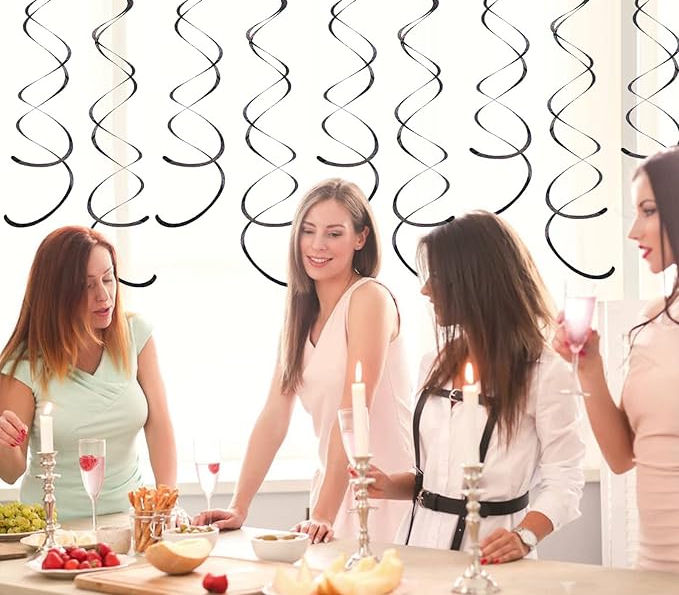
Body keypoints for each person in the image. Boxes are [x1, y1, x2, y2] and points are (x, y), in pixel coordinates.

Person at [195, 178, 412, 543]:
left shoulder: (369, 299)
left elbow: (352, 411)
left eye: (334, 233)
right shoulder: (299, 316)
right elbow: (274, 416)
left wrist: (323, 514)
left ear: (361, 238)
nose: (317, 245)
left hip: (385, 491)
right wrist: (239, 506)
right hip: (333, 490)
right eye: (308, 231)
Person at [363, 211, 585, 562]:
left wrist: (524, 536)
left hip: (489, 556)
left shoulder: (544, 371)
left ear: (474, 280)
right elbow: (438, 475)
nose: (425, 289)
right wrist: (391, 485)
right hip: (415, 549)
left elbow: (565, 478)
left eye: (437, 277)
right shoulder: (434, 361)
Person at [553, 145, 679, 573]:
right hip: (652, 568)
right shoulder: (653, 319)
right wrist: (589, 368)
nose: (634, 232)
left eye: (649, 211)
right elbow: (623, 456)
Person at [0, 226, 176, 519]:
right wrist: (4, 442)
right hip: (54, 527)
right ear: (56, 293)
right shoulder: (24, 364)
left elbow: (160, 425)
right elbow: (10, 472)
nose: (104, 295)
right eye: (87, 286)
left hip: (130, 520)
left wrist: (165, 505)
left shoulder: (135, 333)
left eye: (108, 278)